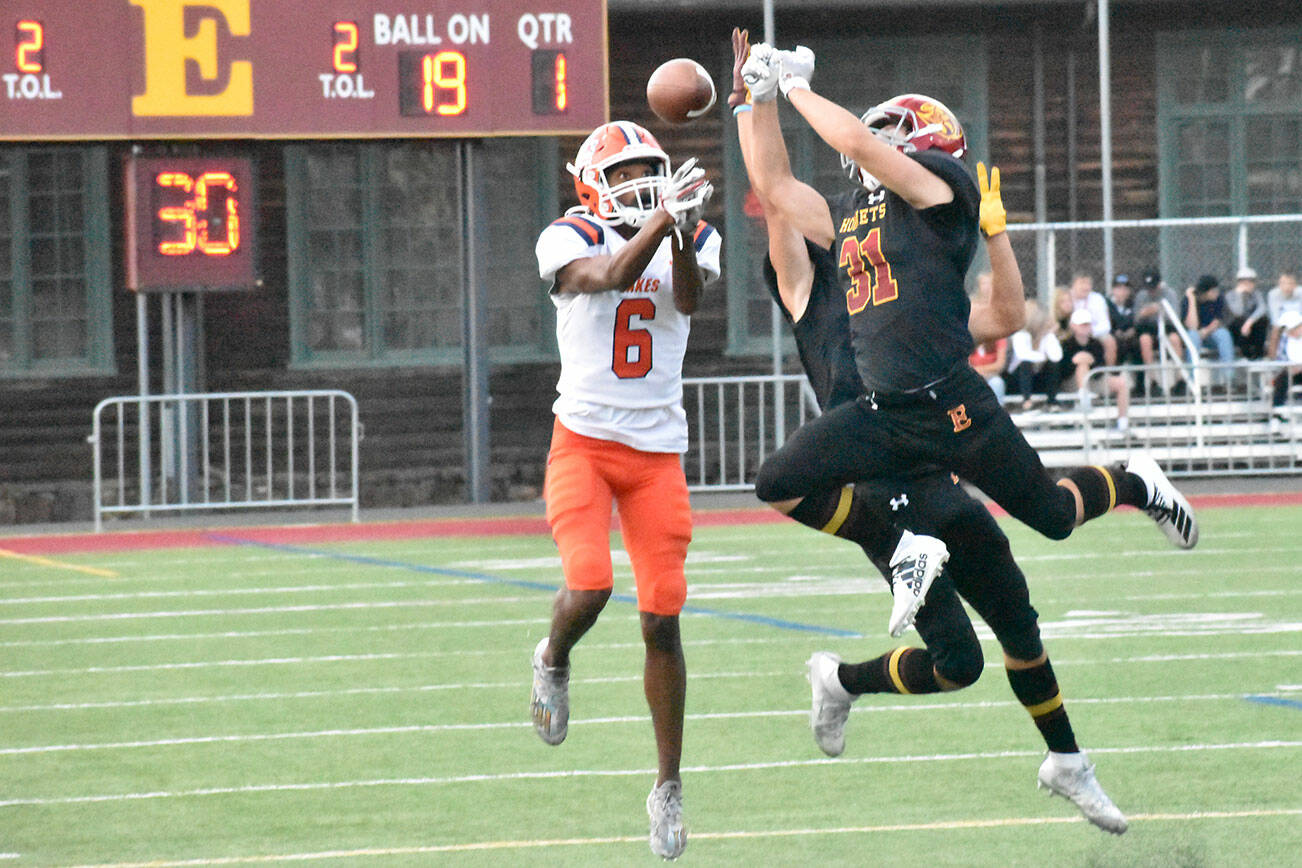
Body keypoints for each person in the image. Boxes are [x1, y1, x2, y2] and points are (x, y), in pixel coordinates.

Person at [728, 28, 1126, 832]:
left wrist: (994, 233)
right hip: (877, 480)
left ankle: (1064, 758)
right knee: (959, 661)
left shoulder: (904, 265)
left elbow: (1006, 316)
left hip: (932, 457)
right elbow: (775, 186)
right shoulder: (817, 271)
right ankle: (849, 666)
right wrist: (756, 96)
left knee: (1013, 616)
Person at [735, 40, 1198, 639]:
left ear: (930, 147)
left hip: (951, 402)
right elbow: (774, 185)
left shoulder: (943, 196)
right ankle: (905, 549)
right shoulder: (856, 215)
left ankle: (1136, 480)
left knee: (1054, 517)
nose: (884, 147)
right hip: (885, 411)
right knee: (777, 481)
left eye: (897, 136)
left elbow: (854, 142)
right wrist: (761, 98)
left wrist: (793, 85)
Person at [529, 120, 719, 861]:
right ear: (590, 184)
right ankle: (552, 656)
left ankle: (667, 786)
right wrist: (664, 220)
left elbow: (692, 301)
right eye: (626, 172)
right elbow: (605, 278)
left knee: (662, 618)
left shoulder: (690, 234)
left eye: (652, 169)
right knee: (589, 583)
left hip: (656, 452)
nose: (642, 183)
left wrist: (679, 230)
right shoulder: (568, 235)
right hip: (583, 441)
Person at [1061, 308, 1131, 432]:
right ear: (1073, 326)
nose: (1085, 327)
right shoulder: (1066, 344)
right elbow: (1063, 370)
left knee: (1121, 382)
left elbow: (1100, 367)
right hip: (1072, 382)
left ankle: (1122, 421)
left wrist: (1090, 361)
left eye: (1087, 324)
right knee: (1082, 365)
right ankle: (1084, 398)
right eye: (1082, 325)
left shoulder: (1096, 344)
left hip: (1094, 380)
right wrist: (1078, 361)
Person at [1007, 298, 1064, 410]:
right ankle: (1026, 400)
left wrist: (1049, 336)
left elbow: (1057, 357)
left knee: (1053, 365)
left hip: (1038, 379)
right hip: (1018, 381)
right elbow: (1023, 355)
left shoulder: (1047, 336)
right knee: (1026, 364)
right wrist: (1043, 357)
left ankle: (1052, 401)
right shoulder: (1020, 335)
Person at [1181, 274, 1235, 389]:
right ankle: (1193, 381)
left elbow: (1217, 322)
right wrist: (1191, 300)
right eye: (1214, 290)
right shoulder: (1187, 300)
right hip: (1196, 336)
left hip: (1210, 334)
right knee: (1192, 336)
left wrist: (1205, 331)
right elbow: (1192, 326)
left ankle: (1229, 379)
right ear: (1206, 292)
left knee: (1224, 335)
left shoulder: (1218, 299)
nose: (1217, 292)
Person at [969, 273, 1008, 403]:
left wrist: (980, 371)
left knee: (997, 383)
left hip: (989, 375)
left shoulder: (997, 332)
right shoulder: (968, 333)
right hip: (969, 376)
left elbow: (1000, 364)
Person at [1068, 272, 1117, 366]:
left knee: (1110, 341)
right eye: (1082, 283)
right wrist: (1077, 330)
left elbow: (1105, 325)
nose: (1086, 287)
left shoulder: (1097, 299)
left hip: (1093, 332)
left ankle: (1110, 373)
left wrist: (1088, 331)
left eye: (1088, 284)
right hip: (1071, 331)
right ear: (1073, 285)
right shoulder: (1067, 297)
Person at [1224, 266, 1269, 360]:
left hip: (1250, 327)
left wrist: (1249, 323)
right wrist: (1240, 296)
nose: (1249, 284)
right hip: (1237, 330)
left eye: (1251, 281)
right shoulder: (1230, 295)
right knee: (1238, 322)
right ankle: (1245, 356)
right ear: (1239, 283)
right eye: (1245, 282)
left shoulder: (1256, 294)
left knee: (1263, 320)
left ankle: (1258, 356)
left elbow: (1262, 308)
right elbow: (1238, 312)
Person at [1269, 309, 1302, 431]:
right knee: (1281, 380)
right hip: (1291, 372)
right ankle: (1276, 416)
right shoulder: (1285, 338)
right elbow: (1278, 358)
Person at [1266, 269, 1302, 360]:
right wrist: (1286, 329)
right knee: (1274, 332)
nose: (1287, 287)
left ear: (1295, 285)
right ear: (1279, 284)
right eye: (1283, 283)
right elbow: (1275, 318)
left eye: (1290, 283)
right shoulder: (1273, 294)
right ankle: (1273, 361)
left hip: (1299, 324)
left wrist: (1298, 328)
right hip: (1282, 325)